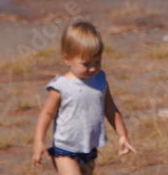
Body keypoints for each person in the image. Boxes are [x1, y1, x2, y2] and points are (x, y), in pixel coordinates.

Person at [32, 20, 137, 174]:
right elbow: (47, 114)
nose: (93, 68)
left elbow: (110, 109)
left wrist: (123, 135)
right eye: (86, 64)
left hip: (89, 147)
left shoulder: (100, 80)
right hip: (65, 148)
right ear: (67, 58)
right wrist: (38, 141)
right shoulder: (61, 86)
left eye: (97, 61)